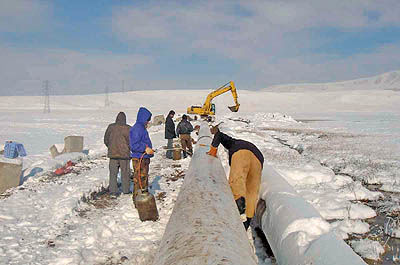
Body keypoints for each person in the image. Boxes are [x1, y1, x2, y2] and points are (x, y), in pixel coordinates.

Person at [207, 126, 264, 230]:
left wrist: (213, 149)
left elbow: (219, 135)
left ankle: (239, 209)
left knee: (237, 181)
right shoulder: (245, 143)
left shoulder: (232, 142)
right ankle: (246, 221)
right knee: (252, 191)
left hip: (241, 152)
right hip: (259, 160)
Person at [130, 107, 155, 200]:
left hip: (143, 158)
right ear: (143, 118)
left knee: (143, 180)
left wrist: (149, 150)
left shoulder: (141, 128)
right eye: (147, 120)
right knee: (139, 181)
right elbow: (134, 145)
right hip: (139, 159)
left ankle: (142, 200)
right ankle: (139, 201)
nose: (148, 122)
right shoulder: (137, 129)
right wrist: (145, 148)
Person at [104, 112, 131, 195]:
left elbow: (106, 140)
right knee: (125, 173)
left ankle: (113, 191)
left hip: (113, 155)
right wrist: (128, 149)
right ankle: (126, 190)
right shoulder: (128, 128)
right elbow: (131, 141)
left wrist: (110, 147)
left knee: (113, 174)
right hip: (124, 155)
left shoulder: (111, 127)